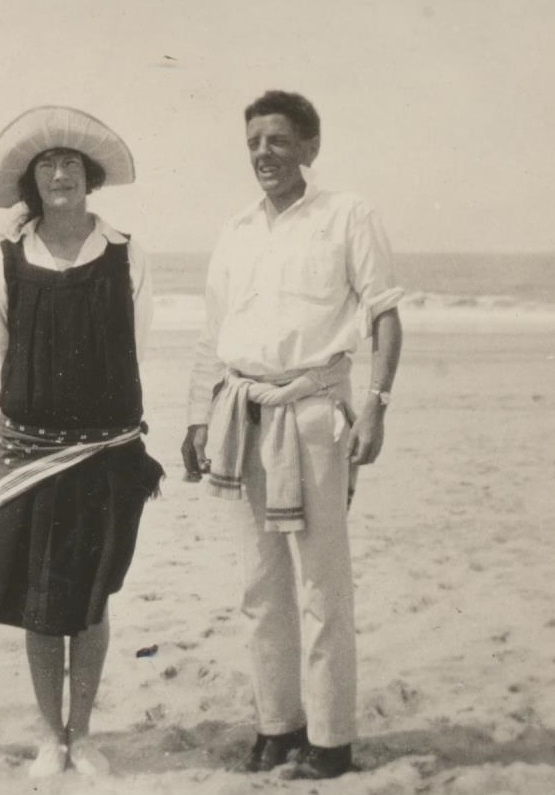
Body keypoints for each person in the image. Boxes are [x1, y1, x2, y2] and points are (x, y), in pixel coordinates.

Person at [181, 90, 403, 780]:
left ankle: (331, 741)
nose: (263, 154)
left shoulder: (347, 215)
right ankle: (277, 727)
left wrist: (376, 406)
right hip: (241, 411)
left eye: (277, 140)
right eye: (253, 142)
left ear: (310, 147)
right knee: (259, 584)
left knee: (322, 585)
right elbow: (213, 334)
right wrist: (196, 417)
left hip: (313, 414)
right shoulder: (236, 230)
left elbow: (384, 317)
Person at [0, 106, 164, 779]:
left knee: (90, 600)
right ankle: (49, 733)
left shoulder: (126, 254)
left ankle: (84, 733)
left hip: (106, 453)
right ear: (31, 180)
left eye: (71, 162)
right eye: (47, 164)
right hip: (31, 455)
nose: (60, 174)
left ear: (89, 175)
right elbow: (4, 351)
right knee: (40, 603)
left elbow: (135, 346)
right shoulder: (6, 260)